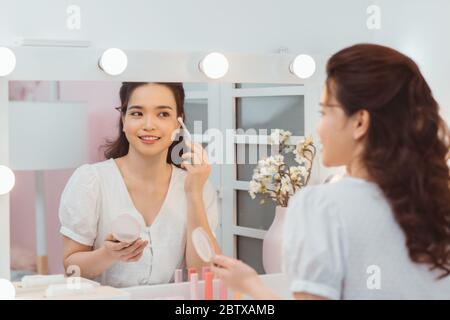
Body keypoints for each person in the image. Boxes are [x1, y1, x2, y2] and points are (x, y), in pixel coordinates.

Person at [212, 44, 450, 299]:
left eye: (325, 111)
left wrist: (251, 286)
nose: (320, 127)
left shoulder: (321, 206)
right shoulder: (438, 202)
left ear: (360, 122)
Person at [59, 82, 220, 287]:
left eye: (163, 114)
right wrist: (108, 254)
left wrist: (194, 193)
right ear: (124, 120)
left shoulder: (198, 186)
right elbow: (71, 269)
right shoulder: (91, 181)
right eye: (137, 113)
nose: (149, 125)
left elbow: (207, 276)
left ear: (178, 124)